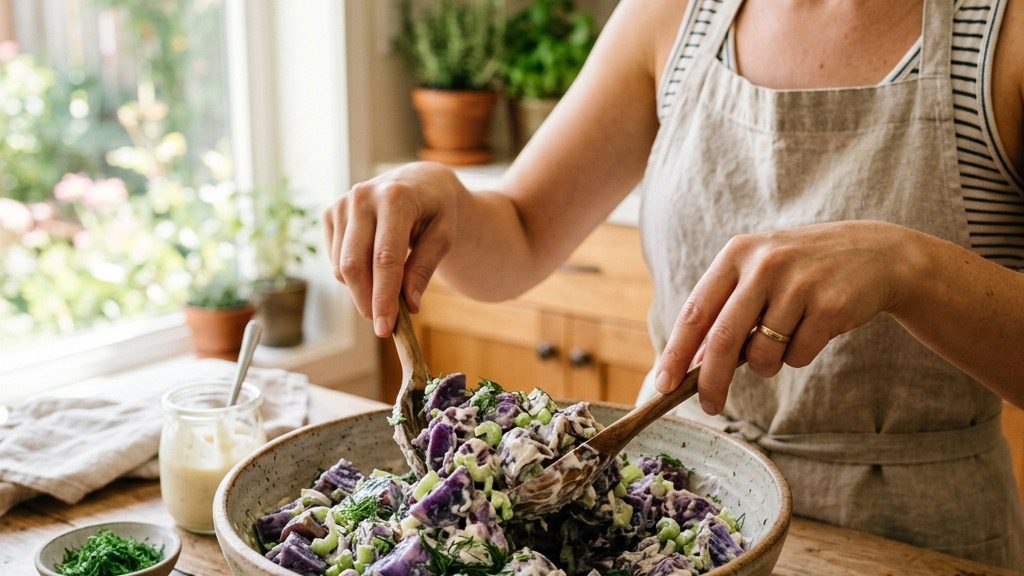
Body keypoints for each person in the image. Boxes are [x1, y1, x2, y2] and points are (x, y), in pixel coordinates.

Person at [323, 0, 1024, 568]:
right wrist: (436, 192)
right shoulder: (674, 14)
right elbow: (521, 233)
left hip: (914, 539)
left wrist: (908, 265)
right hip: (663, 505)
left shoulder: (1005, 30)